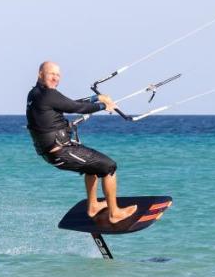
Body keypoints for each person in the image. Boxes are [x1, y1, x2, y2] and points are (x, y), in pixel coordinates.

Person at [26, 61, 137, 224]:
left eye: (58, 75)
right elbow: (76, 107)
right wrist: (102, 106)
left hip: (55, 150)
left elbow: (68, 104)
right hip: (61, 151)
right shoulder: (48, 94)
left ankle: (93, 206)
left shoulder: (35, 93)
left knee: (92, 167)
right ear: (40, 74)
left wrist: (96, 98)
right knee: (109, 166)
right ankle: (115, 213)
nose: (55, 78)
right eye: (51, 74)